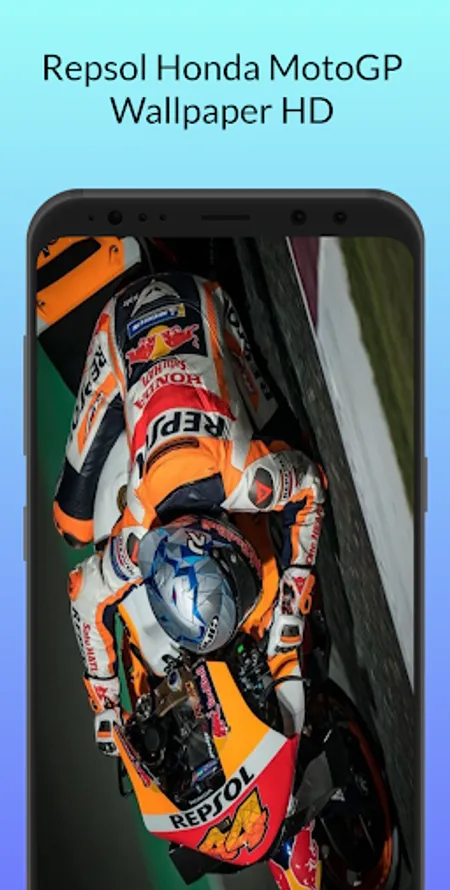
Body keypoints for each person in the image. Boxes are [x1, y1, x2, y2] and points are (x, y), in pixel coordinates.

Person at [54, 271, 327, 755]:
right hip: (135, 350)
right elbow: (81, 593)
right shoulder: (137, 539)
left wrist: (292, 604)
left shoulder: (247, 480)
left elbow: (309, 483)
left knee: (291, 442)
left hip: (192, 303)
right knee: (69, 522)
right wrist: (105, 706)